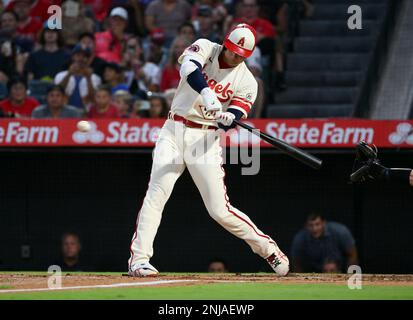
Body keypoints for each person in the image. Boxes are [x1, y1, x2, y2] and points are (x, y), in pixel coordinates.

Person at [127, 23, 289, 277]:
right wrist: (206, 92)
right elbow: (188, 67)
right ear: (226, 44)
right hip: (174, 128)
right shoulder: (206, 47)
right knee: (157, 192)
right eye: (233, 51)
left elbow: (238, 111)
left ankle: (268, 249)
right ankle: (139, 259)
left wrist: (228, 118)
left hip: (205, 139)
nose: (235, 57)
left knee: (219, 210)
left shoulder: (247, 80)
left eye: (241, 55)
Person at [290, 213, 359, 273]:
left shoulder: (340, 232)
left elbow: (352, 254)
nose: (314, 229)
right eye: (311, 225)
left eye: (317, 224)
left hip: (341, 270)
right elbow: (296, 261)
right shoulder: (300, 238)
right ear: (306, 226)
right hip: (314, 273)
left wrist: (350, 277)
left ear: (324, 223)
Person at [54, 44, 101, 110]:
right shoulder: (60, 75)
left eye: (84, 56)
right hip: (64, 114)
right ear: (73, 57)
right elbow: (56, 93)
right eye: (78, 55)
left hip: (86, 115)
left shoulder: (95, 78)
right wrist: (69, 74)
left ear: (88, 59)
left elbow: (94, 100)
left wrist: (88, 79)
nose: (81, 59)